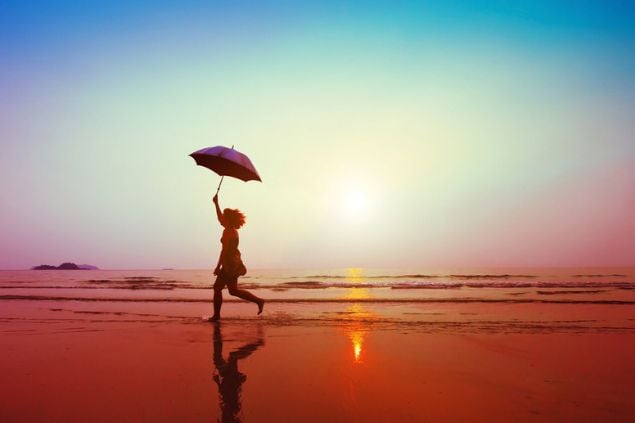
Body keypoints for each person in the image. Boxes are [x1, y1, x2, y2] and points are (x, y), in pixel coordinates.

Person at [209, 193, 264, 321]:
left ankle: (216, 316)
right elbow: (220, 219)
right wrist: (216, 203)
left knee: (217, 288)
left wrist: (218, 267)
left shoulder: (228, 231)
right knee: (233, 290)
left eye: (224, 216)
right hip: (235, 262)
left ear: (228, 219)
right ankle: (259, 301)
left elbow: (224, 251)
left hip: (229, 263)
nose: (222, 218)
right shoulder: (232, 229)